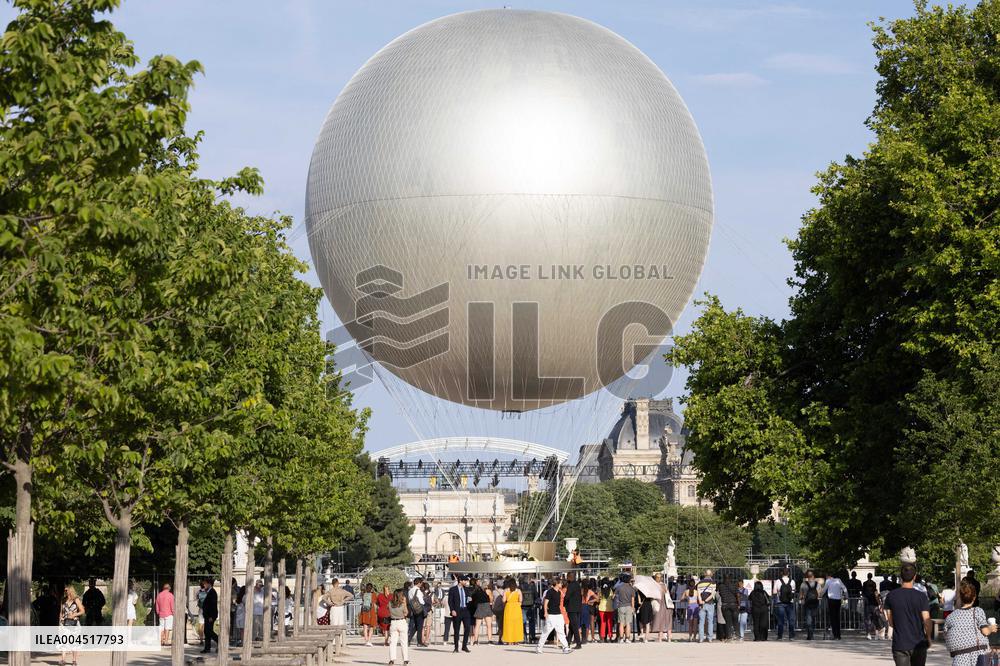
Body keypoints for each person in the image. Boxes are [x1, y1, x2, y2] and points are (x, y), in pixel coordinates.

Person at [884, 563, 932, 666]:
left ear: (900, 576)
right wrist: (928, 637)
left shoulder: (891, 596)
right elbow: (927, 620)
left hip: (900, 643)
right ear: (914, 577)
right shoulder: (921, 597)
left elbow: (891, 622)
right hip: (919, 643)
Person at [944, 580, 998, 666]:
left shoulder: (950, 616)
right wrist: (991, 628)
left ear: (960, 597)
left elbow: (946, 636)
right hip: (978, 657)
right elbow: (985, 631)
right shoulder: (977, 611)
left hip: (959, 658)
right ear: (974, 597)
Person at [537, 579, 571, 654]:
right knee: (546, 631)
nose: (562, 584)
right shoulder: (550, 592)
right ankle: (539, 647)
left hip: (559, 614)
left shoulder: (559, 592)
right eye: (560, 583)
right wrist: (545, 612)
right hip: (551, 615)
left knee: (561, 631)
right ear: (557, 583)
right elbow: (545, 603)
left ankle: (566, 647)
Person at [61, 585, 84, 666]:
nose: (65, 592)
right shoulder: (63, 600)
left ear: (71, 591)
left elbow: (82, 611)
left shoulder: (76, 600)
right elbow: (61, 612)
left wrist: (74, 614)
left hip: (74, 624)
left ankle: (74, 661)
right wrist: (61, 619)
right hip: (65, 623)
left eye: (67, 590)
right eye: (65, 591)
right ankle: (63, 660)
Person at [447, 575, 472, 653]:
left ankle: (464, 646)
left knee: (467, 628)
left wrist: (470, 600)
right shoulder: (453, 589)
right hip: (457, 611)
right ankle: (456, 647)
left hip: (466, 611)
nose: (466, 582)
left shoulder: (467, 589)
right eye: (464, 581)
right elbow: (450, 601)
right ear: (460, 580)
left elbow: (469, 599)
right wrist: (452, 610)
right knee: (456, 630)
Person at [387, 589, 410, 666]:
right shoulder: (402, 604)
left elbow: (388, 610)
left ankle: (392, 659)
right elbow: (406, 613)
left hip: (393, 622)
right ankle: (405, 660)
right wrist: (405, 603)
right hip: (401, 621)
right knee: (404, 642)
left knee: (393, 643)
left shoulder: (390, 603)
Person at [649, 572, 673, 642]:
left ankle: (660, 638)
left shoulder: (654, 586)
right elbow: (668, 593)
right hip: (667, 605)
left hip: (659, 604)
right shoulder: (664, 585)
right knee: (668, 621)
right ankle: (669, 638)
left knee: (660, 622)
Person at [774, 568, 796, 640]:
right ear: (788, 573)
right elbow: (793, 592)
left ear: (781, 573)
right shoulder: (792, 581)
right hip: (790, 602)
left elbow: (774, 592)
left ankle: (780, 636)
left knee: (781, 620)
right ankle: (791, 636)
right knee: (791, 620)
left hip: (780, 602)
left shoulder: (778, 581)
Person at [824, 571, 847, 640]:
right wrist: (846, 596)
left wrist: (819, 596)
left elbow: (824, 590)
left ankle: (835, 635)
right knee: (837, 618)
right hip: (838, 600)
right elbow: (845, 589)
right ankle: (838, 635)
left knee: (832, 618)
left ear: (828, 576)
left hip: (831, 600)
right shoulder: (838, 580)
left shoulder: (828, 581)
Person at [501, 577, 524, 644]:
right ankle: (516, 640)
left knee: (508, 624)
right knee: (516, 624)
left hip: (508, 608)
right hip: (516, 608)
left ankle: (509, 640)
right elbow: (521, 600)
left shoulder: (506, 590)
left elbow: (503, 600)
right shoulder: (518, 591)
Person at [696, 570, 717, 643]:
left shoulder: (699, 583)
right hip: (710, 603)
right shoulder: (713, 583)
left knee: (701, 622)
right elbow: (712, 594)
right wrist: (705, 601)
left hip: (701, 604)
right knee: (710, 621)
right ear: (711, 574)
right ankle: (710, 638)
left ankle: (701, 638)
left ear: (704, 574)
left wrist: (701, 601)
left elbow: (698, 594)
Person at [800, 570, 821, 640]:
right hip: (815, 604)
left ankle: (810, 635)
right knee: (813, 619)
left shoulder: (803, 584)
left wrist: (802, 598)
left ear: (807, 577)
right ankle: (811, 634)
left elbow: (800, 596)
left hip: (807, 604)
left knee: (808, 619)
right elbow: (819, 594)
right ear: (813, 576)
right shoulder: (817, 584)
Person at [717, 573, 739, 641]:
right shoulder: (734, 585)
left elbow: (720, 594)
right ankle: (737, 636)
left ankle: (729, 636)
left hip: (725, 605)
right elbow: (737, 595)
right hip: (733, 605)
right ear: (730, 578)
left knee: (728, 622)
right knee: (735, 621)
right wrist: (738, 604)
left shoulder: (720, 586)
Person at [469, 579, 491, 645]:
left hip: (479, 607)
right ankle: (489, 640)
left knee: (477, 625)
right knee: (489, 625)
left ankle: (475, 640)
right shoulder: (486, 591)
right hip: (486, 605)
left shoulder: (474, 591)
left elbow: (473, 600)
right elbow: (490, 599)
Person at [615, 574, 636, 643]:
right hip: (629, 606)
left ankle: (621, 638)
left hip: (621, 606)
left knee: (621, 623)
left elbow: (616, 597)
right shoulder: (631, 588)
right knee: (628, 623)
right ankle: (627, 638)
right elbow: (632, 599)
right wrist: (633, 608)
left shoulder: (619, 587)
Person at [564, 572, 582, 648]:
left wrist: (564, 603)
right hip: (577, 608)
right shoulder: (577, 584)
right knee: (571, 625)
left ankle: (578, 643)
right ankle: (567, 642)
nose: (566, 578)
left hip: (572, 608)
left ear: (570, 577)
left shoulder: (571, 585)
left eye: (567, 577)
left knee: (574, 626)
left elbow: (567, 596)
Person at [357, 582, 377, 647]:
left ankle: (366, 641)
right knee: (371, 626)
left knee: (365, 626)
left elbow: (362, 599)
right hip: (371, 611)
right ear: (371, 588)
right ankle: (369, 640)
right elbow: (374, 601)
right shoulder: (373, 594)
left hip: (364, 611)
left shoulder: (363, 594)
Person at [202, 578, 218, 654]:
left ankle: (219, 641)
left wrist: (211, 616)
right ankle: (207, 648)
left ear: (209, 584)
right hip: (207, 616)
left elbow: (213, 605)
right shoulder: (209, 592)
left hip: (210, 616)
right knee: (207, 631)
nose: (204, 585)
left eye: (205, 584)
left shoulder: (212, 592)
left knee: (209, 631)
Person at [520, 576, 538, 643]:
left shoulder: (520, 587)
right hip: (531, 606)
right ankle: (532, 637)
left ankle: (524, 636)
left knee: (523, 622)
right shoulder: (532, 586)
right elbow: (536, 596)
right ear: (529, 580)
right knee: (531, 622)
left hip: (522, 607)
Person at [580, 579, 597, 643]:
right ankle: (588, 638)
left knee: (581, 623)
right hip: (588, 606)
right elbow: (597, 598)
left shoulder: (580, 590)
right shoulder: (589, 591)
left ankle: (581, 638)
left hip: (581, 607)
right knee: (588, 623)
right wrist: (590, 601)